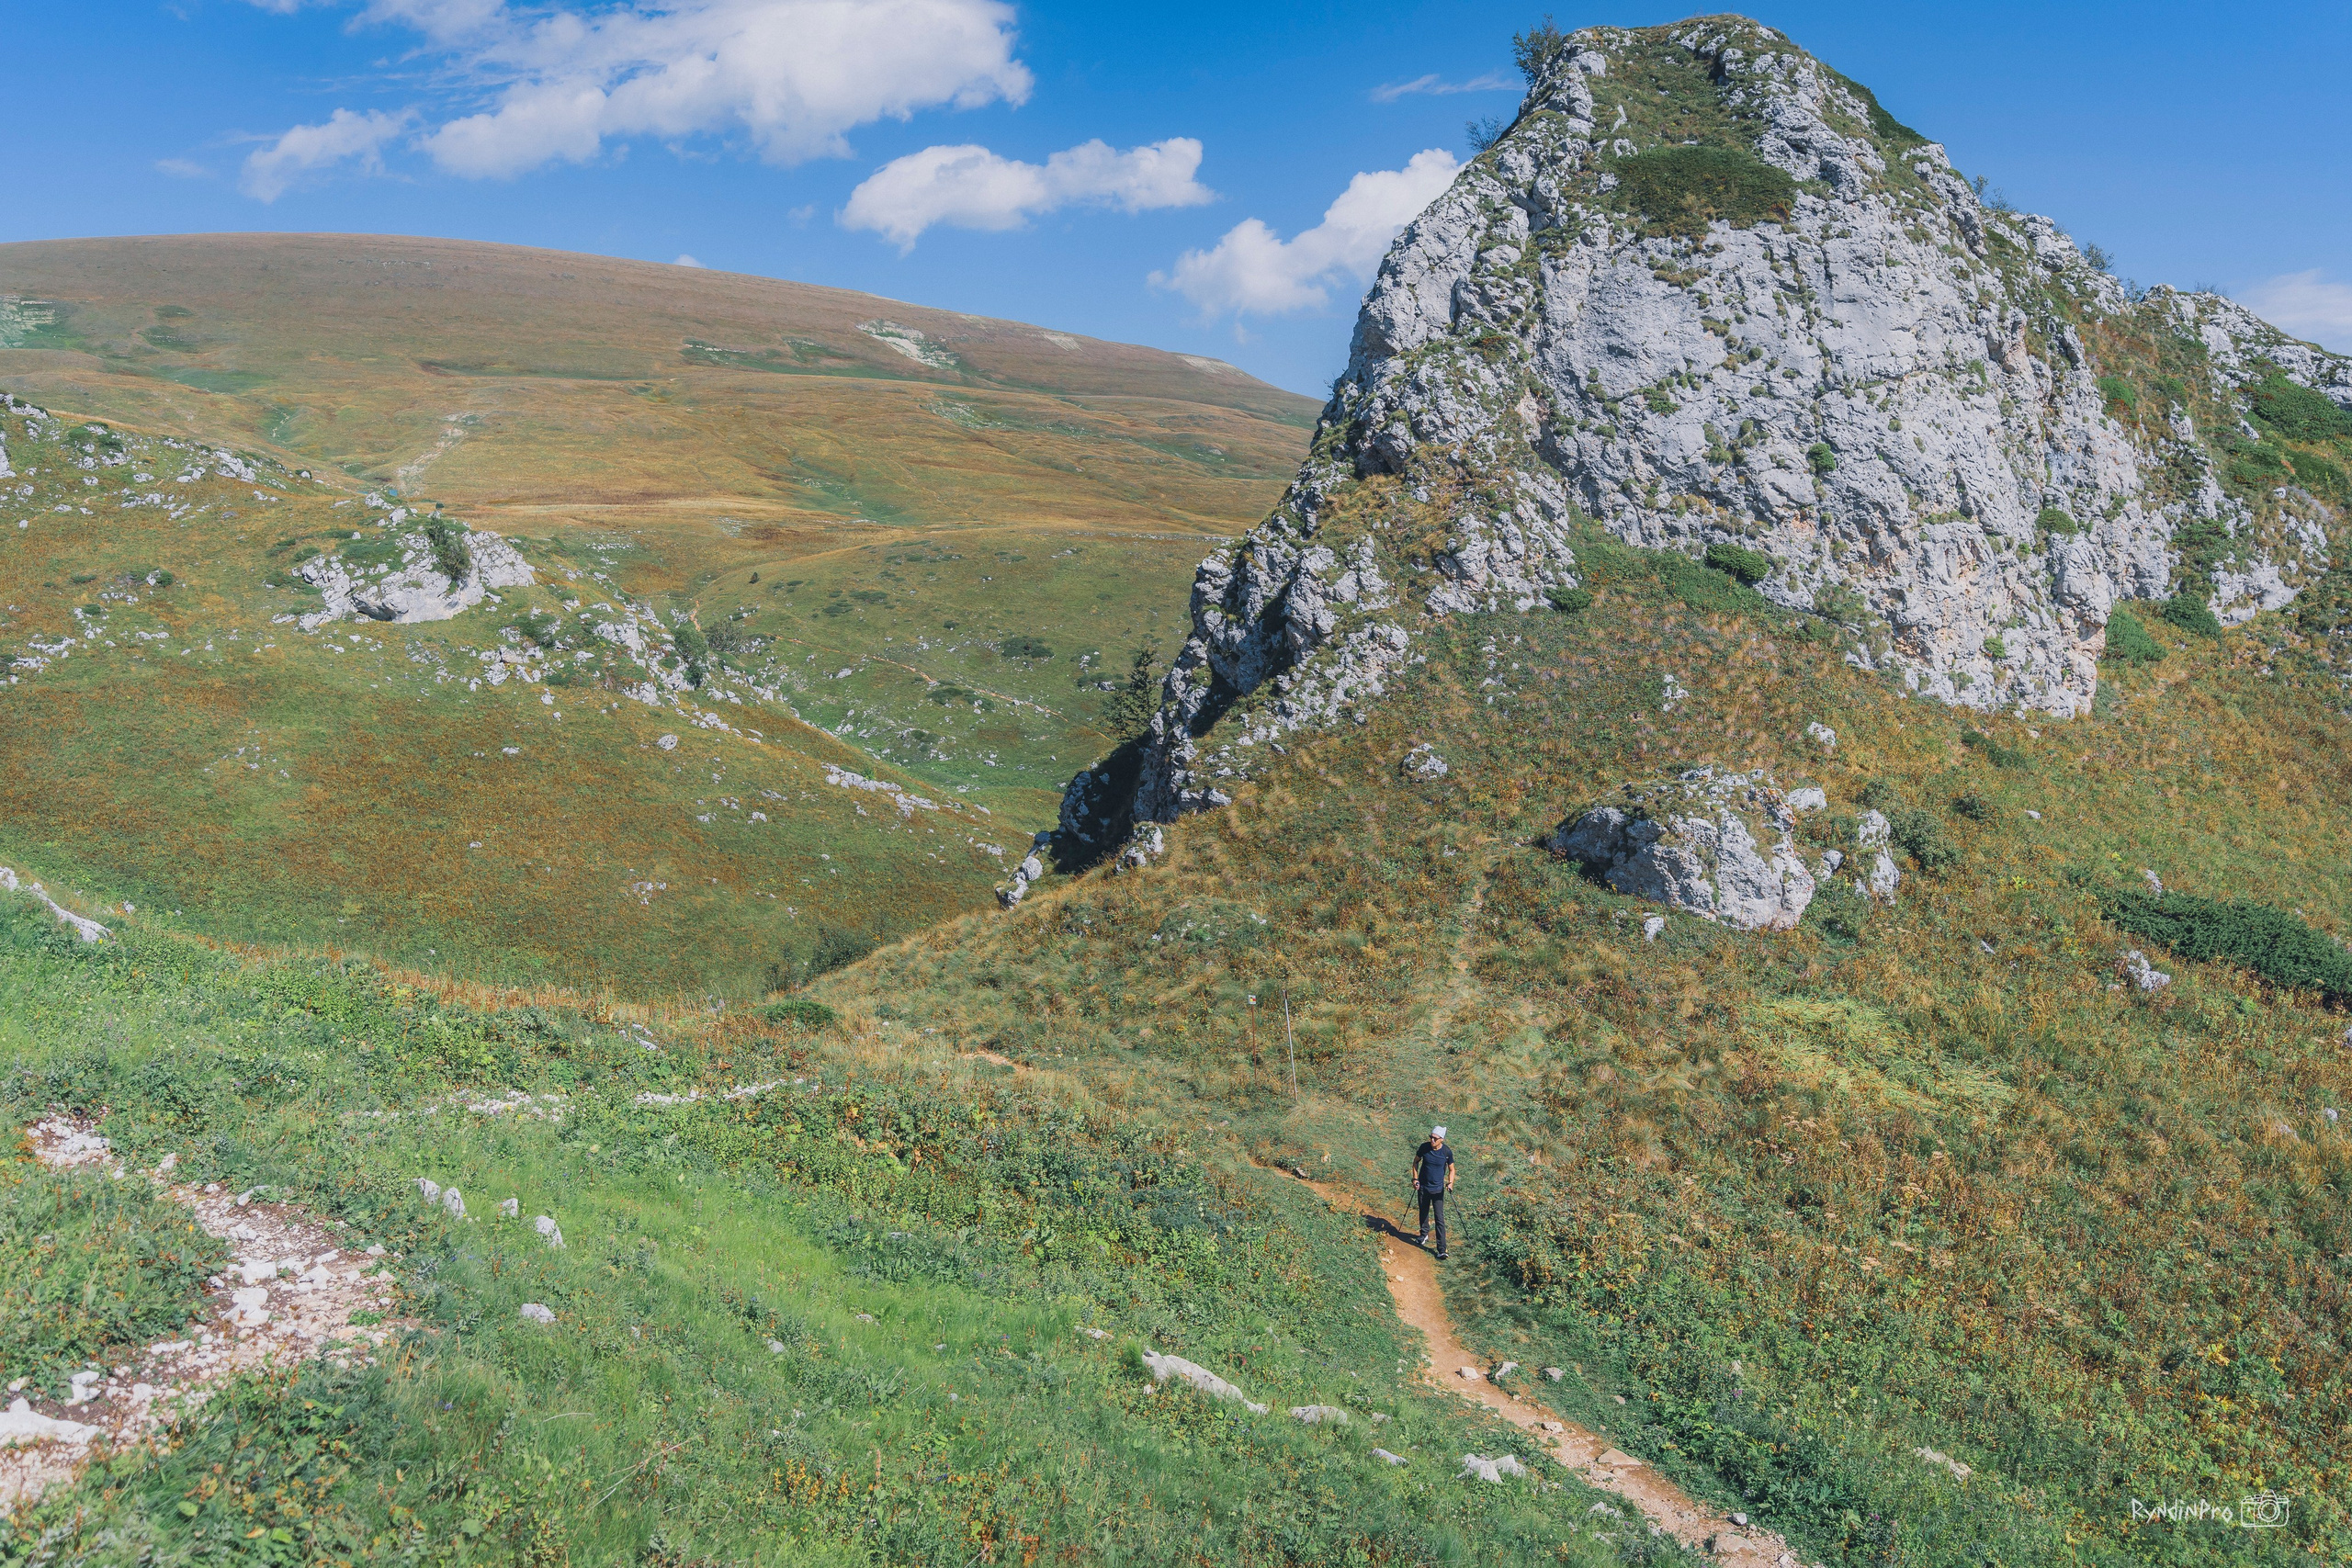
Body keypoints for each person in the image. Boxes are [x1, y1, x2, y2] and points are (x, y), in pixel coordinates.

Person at [1412, 1125, 1455, 1260]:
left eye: (1435, 1138)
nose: (1432, 1140)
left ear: (1441, 1139)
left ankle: (1442, 1249)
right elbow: (1415, 1163)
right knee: (1423, 1211)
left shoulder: (1446, 1152)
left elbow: (1452, 1170)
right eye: (1431, 1137)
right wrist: (1415, 1179)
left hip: (1437, 1191)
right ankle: (1424, 1234)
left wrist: (1450, 1182)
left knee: (1439, 1219)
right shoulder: (1424, 1148)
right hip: (1423, 1187)